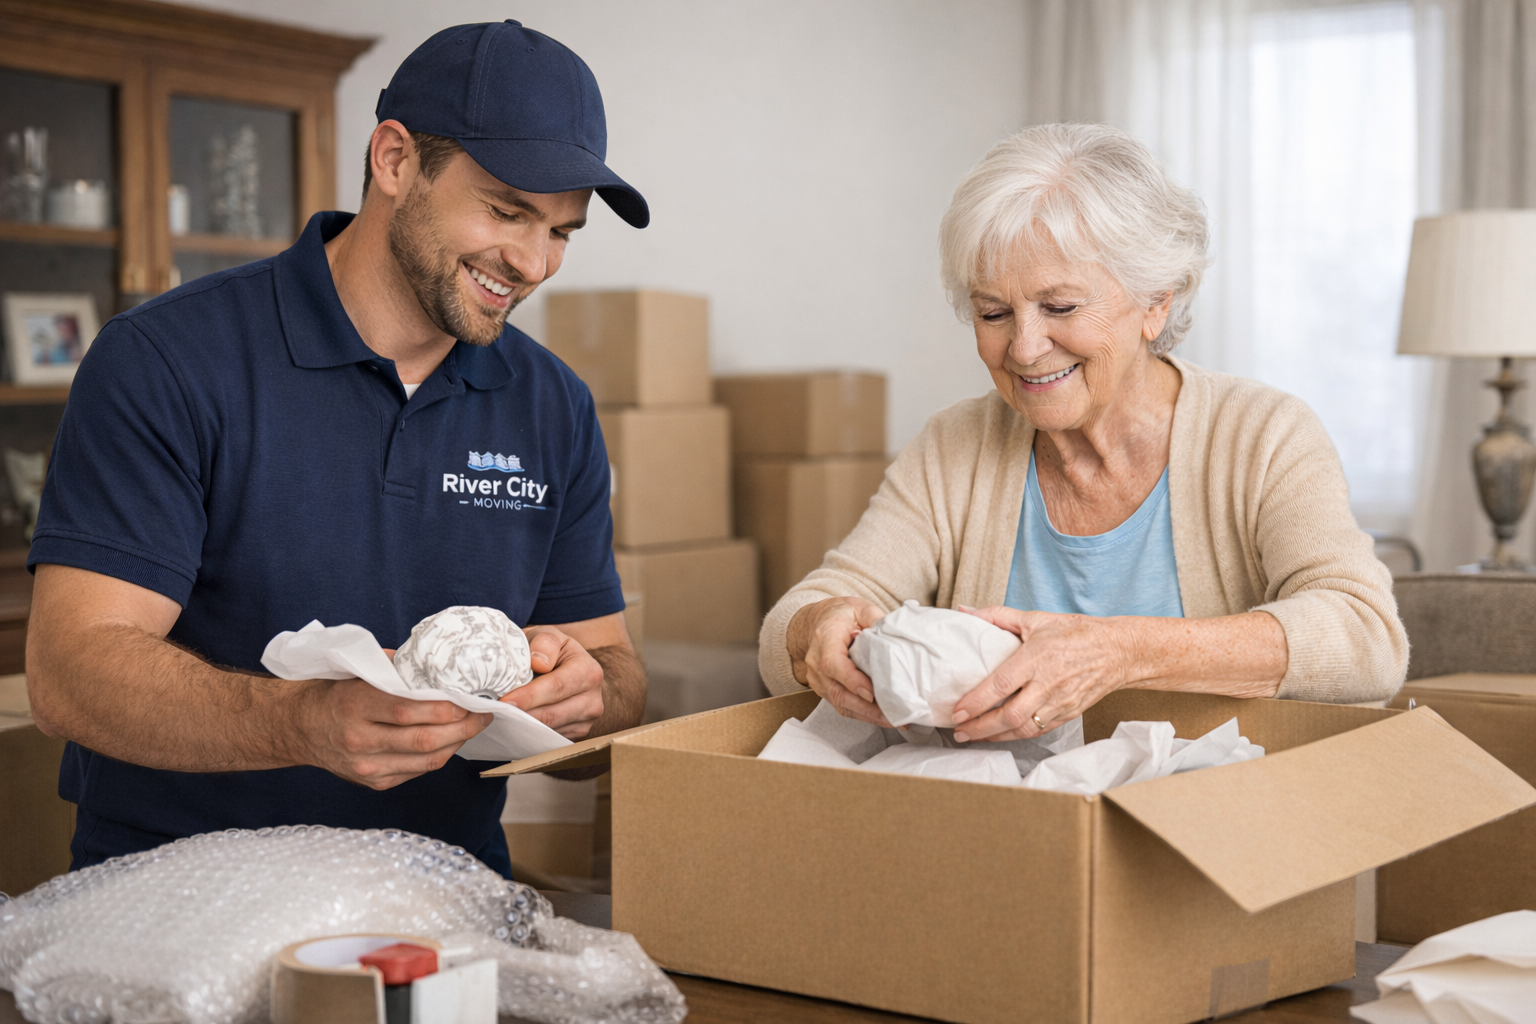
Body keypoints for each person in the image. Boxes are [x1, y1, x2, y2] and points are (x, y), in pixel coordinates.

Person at [25, 21, 647, 877]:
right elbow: (70, 672)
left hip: (445, 896)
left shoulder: (554, 406)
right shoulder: (168, 358)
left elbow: (611, 681)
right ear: (394, 160)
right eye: (506, 211)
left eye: (562, 231)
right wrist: (301, 724)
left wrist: (591, 696)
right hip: (177, 892)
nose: (533, 262)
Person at [760, 122, 1407, 739]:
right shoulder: (953, 447)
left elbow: (1365, 637)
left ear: (1156, 301)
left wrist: (1119, 652)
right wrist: (815, 630)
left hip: (1229, 821)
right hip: (1023, 829)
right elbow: (795, 621)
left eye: (1060, 306)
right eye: (993, 313)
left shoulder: (1263, 436)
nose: (1025, 346)